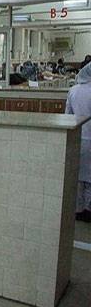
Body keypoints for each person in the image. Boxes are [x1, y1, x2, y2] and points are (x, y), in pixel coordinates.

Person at [66, 62, 91, 222]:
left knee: (78, 176)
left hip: (78, 138)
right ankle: (88, 209)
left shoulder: (73, 91)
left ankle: (77, 209)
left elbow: (67, 115)